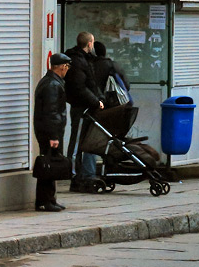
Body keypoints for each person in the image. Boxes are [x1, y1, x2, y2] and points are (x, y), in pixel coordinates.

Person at [65, 32, 105, 192]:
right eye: (92, 43)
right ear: (89, 44)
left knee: (84, 141)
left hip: (86, 106)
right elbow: (80, 87)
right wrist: (96, 101)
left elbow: (89, 84)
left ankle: (81, 174)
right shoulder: (78, 61)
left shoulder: (82, 59)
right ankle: (74, 175)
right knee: (76, 142)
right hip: (82, 107)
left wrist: (98, 99)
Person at [33, 53, 70, 212]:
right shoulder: (52, 85)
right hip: (49, 132)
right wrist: (53, 136)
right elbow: (51, 112)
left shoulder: (51, 82)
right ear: (62, 67)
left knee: (51, 165)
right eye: (67, 66)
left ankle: (49, 199)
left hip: (47, 130)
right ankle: (44, 201)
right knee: (48, 166)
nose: (67, 69)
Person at [93, 40, 129, 107]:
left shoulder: (88, 66)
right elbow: (126, 85)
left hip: (94, 102)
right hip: (113, 102)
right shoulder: (113, 65)